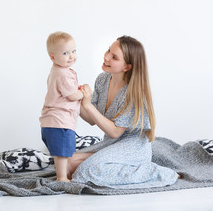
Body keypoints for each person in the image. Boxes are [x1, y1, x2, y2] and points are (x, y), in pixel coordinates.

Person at [67, 35, 178, 188]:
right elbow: (92, 119)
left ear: (127, 67)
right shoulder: (102, 79)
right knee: (66, 164)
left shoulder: (132, 93)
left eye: (114, 57)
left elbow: (115, 131)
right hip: (112, 143)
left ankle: (154, 172)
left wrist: (87, 105)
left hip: (133, 147)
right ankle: (107, 165)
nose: (106, 57)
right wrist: (73, 98)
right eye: (108, 51)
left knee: (83, 172)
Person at [39, 31, 84, 182]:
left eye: (73, 51)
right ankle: (62, 177)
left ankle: (62, 175)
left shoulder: (58, 71)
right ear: (53, 57)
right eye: (65, 53)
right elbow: (72, 95)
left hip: (53, 121)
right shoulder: (63, 74)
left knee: (62, 152)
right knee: (62, 153)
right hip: (60, 121)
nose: (71, 56)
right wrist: (83, 93)